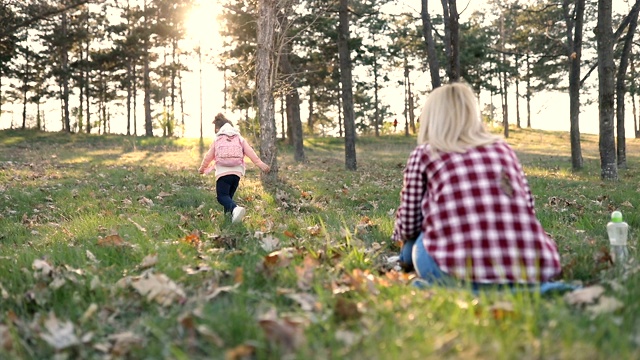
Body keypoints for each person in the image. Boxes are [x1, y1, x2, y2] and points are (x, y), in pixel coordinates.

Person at [392, 82, 562, 287]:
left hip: (455, 267)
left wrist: (405, 239)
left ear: (432, 117)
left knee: (413, 245)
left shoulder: (426, 153)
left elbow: (409, 222)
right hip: (529, 268)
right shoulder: (502, 149)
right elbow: (527, 207)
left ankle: (450, 285)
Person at [198, 113, 270, 223]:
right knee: (228, 197)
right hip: (236, 174)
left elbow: (209, 156)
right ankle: (230, 219)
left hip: (223, 174)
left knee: (222, 197)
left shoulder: (218, 139)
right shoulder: (239, 138)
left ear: (218, 128)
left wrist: (202, 168)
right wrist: (260, 164)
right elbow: (250, 152)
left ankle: (235, 209)